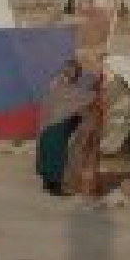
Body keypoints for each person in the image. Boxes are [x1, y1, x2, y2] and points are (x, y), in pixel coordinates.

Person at [35, 60, 96, 194]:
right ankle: (55, 187)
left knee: (49, 154)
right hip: (56, 125)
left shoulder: (57, 84)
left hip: (49, 124)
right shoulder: (62, 86)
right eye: (75, 72)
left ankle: (48, 184)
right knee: (55, 155)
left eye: (77, 72)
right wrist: (95, 93)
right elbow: (81, 98)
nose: (76, 75)